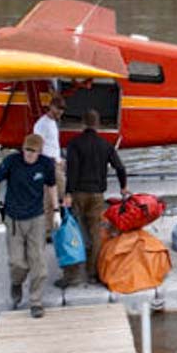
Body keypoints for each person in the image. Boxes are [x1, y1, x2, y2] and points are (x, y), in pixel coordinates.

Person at [0, 133, 61, 317]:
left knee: (38, 263)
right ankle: (16, 282)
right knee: (17, 262)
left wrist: (56, 210)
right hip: (14, 218)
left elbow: (51, 186)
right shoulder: (12, 162)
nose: (28, 154)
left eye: (33, 151)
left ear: (39, 151)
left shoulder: (46, 164)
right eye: (26, 150)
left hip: (36, 218)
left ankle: (35, 301)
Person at [60, 108, 128, 286]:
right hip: (97, 195)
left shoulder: (75, 144)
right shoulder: (105, 145)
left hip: (78, 193)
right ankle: (93, 272)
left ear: (82, 123)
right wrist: (123, 187)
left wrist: (67, 193)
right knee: (95, 233)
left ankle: (73, 274)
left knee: (73, 232)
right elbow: (120, 167)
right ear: (97, 125)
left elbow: (72, 171)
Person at [33, 95, 67, 193]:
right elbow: (37, 144)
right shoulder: (42, 123)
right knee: (61, 193)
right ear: (51, 106)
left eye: (62, 109)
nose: (60, 112)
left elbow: (52, 145)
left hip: (56, 163)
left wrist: (60, 160)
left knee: (57, 195)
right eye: (58, 108)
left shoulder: (52, 123)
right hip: (49, 163)